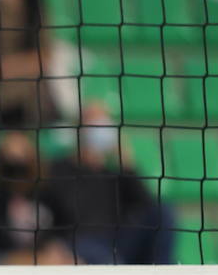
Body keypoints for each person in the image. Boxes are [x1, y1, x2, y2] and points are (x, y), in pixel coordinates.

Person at [39, 104, 176, 265]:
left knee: (163, 213)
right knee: (106, 260)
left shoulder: (112, 173)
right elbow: (65, 211)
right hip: (79, 242)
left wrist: (125, 161)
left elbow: (145, 203)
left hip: (117, 241)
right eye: (95, 121)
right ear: (80, 128)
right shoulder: (59, 169)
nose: (102, 128)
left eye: (105, 122)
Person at [0, 131, 73, 267]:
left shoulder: (47, 194)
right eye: (11, 157)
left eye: (22, 154)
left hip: (43, 256)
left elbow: (63, 227)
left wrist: (52, 247)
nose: (17, 163)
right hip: (2, 257)